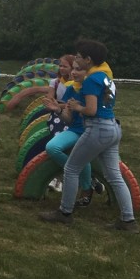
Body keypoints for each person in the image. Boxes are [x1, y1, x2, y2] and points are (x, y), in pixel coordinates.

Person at [41, 40, 137, 232]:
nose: (76, 59)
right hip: (112, 127)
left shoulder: (91, 80)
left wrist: (78, 107)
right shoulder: (105, 76)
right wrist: (61, 109)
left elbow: (91, 110)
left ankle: (65, 213)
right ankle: (128, 220)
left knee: (71, 168)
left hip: (97, 128)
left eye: (78, 57)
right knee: (114, 176)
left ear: (88, 60)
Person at [41, 58, 97, 207]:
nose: (73, 72)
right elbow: (69, 119)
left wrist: (80, 108)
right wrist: (58, 110)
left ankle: (86, 187)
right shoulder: (71, 89)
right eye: (73, 69)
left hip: (92, 131)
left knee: (82, 154)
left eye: (78, 69)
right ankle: (76, 173)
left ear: (88, 71)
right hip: (75, 130)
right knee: (52, 147)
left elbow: (93, 111)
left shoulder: (92, 89)